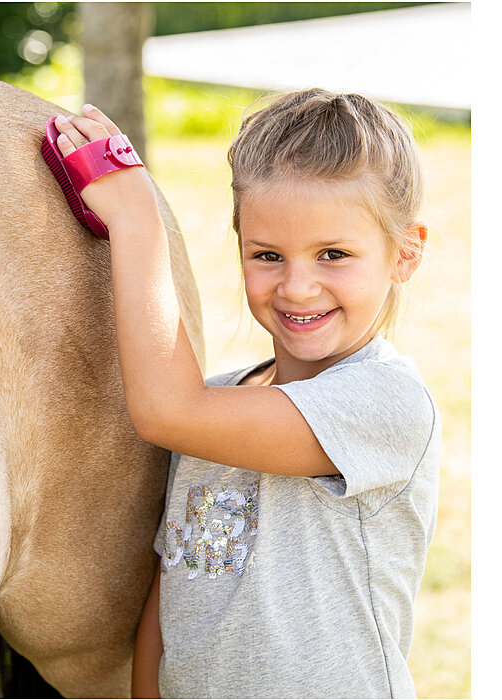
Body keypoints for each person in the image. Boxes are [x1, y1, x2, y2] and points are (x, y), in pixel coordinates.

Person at [51, 88, 440, 699]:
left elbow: (165, 410)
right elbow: (176, 585)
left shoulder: (386, 402)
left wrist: (136, 217)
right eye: (268, 255)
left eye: (333, 254)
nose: (298, 287)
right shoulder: (218, 403)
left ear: (406, 253)